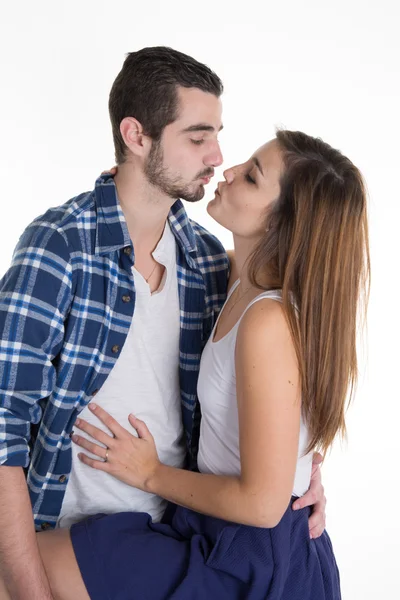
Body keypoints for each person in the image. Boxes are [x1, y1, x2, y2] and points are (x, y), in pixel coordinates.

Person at [0, 48, 326, 600]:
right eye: (198, 138)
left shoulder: (205, 260)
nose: (218, 156)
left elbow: (267, 380)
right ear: (137, 136)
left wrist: (302, 470)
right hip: (67, 545)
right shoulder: (60, 247)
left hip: (177, 539)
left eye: (218, 134)